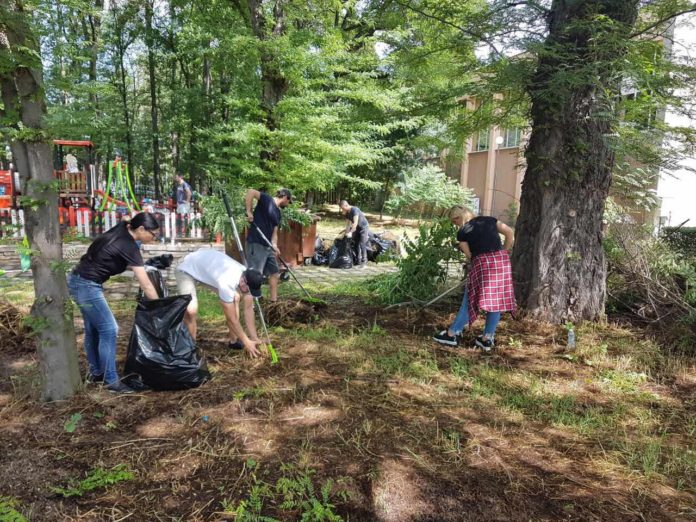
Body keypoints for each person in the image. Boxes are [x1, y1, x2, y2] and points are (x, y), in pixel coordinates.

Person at [68, 213, 161, 393]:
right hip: (86, 285)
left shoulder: (123, 228)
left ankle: (96, 373)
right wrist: (160, 308)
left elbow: (129, 221)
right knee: (110, 329)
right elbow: (146, 284)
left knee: (94, 329)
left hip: (79, 280)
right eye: (153, 234)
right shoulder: (129, 246)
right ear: (141, 229)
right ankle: (111, 381)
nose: (154, 237)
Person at [433, 206, 516, 353]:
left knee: (470, 299)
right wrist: (505, 250)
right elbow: (509, 232)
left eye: (454, 221)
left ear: (458, 218)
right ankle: (487, 339)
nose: (455, 225)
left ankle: (452, 334)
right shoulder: (489, 220)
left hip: (482, 264)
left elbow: (470, 255)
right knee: (496, 302)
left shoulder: (462, 232)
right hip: (501, 262)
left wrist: (481, 259)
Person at [175, 248, 265, 358]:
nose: (248, 293)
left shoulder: (247, 274)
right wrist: (247, 342)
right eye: (248, 290)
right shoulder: (227, 283)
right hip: (187, 269)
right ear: (243, 282)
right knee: (191, 310)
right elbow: (232, 319)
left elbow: (248, 308)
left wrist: (254, 338)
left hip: (205, 268)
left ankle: (234, 341)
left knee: (235, 297)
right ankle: (190, 352)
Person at [245, 188, 292, 302]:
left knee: (274, 273)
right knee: (256, 275)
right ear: (285, 197)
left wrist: (274, 245)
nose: (288, 204)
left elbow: (274, 232)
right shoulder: (267, 199)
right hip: (256, 243)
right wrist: (249, 211)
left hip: (268, 247)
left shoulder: (278, 213)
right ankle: (254, 302)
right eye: (289, 201)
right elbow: (251, 192)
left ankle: (273, 301)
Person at [340, 200, 369, 268]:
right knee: (356, 244)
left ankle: (364, 262)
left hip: (363, 227)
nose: (342, 210)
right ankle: (358, 262)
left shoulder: (355, 210)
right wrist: (346, 233)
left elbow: (355, 223)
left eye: (343, 208)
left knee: (362, 243)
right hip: (357, 228)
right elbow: (348, 224)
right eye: (341, 209)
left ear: (346, 205)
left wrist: (350, 232)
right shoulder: (347, 213)